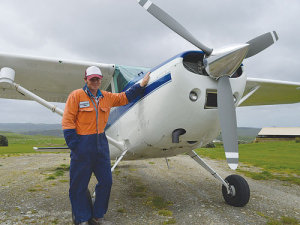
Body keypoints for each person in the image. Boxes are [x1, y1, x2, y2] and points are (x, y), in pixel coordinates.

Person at [62, 66, 150, 225]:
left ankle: (97, 216)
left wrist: (142, 84)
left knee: (106, 182)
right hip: (83, 145)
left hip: (101, 144)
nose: (95, 81)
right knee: (78, 186)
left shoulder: (106, 96)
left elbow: (125, 97)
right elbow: (67, 122)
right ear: (86, 80)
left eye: (97, 79)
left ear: (101, 79)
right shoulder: (76, 96)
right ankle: (82, 219)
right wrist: (75, 145)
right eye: (92, 79)